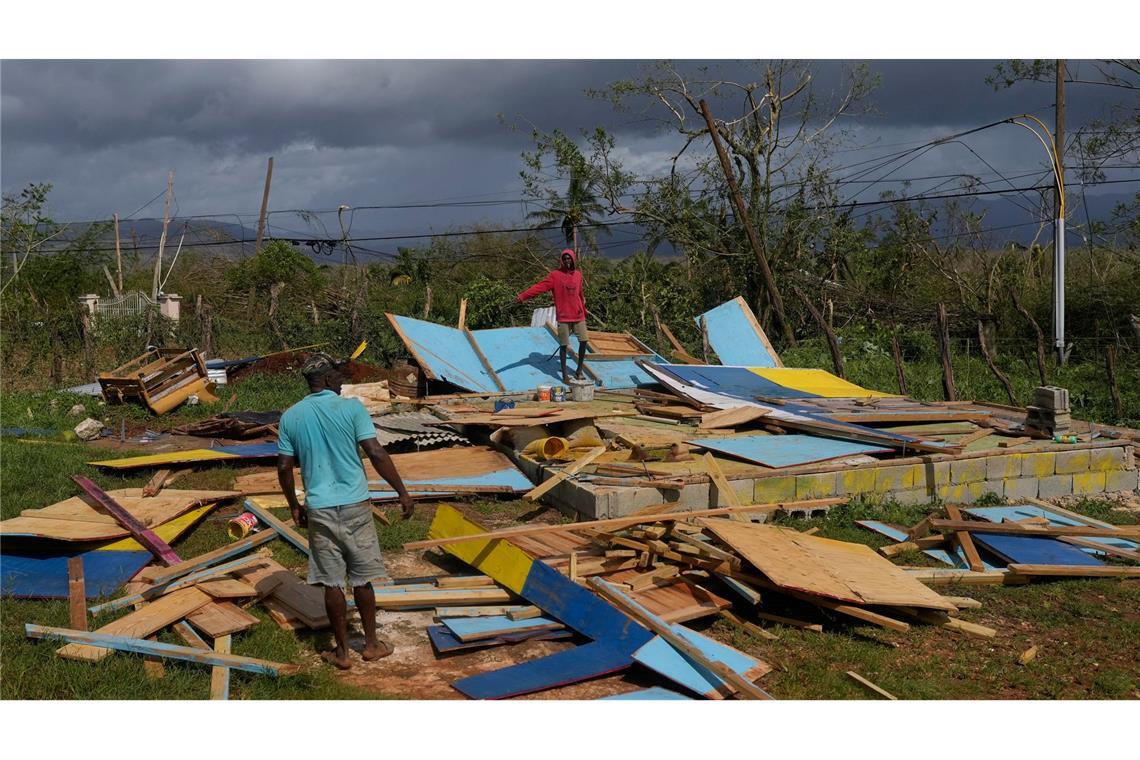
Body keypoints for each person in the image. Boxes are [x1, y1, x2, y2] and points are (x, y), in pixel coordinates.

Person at [276, 352, 415, 670]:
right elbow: (375, 452)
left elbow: (284, 467)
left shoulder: (291, 416)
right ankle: (371, 644)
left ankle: (341, 653)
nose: (341, 381)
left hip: (320, 508)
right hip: (355, 505)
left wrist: (294, 505)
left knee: (332, 582)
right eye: (337, 376)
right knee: (363, 579)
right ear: (325, 378)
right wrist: (402, 492)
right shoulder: (352, 408)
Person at [516, 248, 591, 383]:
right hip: (564, 316)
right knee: (563, 345)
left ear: (573, 259)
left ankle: (579, 371)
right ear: (561, 261)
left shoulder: (578, 275)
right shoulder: (555, 276)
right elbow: (539, 287)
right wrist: (523, 296)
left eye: (569, 258)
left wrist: (584, 310)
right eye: (565, 258)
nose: (567, 261)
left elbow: (580, 295)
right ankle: (564, 375)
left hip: (579, 315)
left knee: (584, 341)